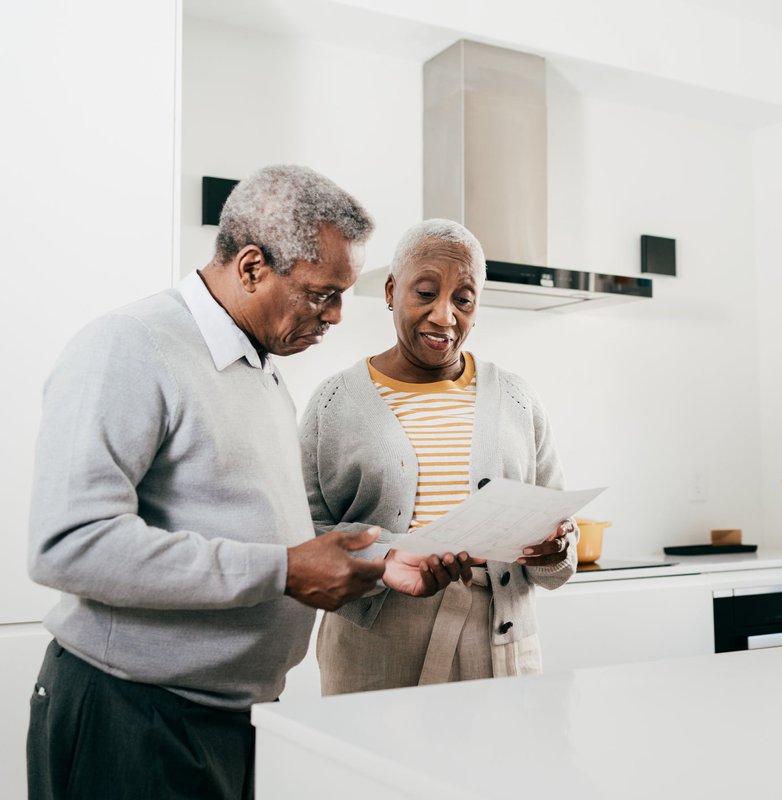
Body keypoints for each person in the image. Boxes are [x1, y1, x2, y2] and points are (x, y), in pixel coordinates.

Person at [26, 165, 471, 800]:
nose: (340, 315)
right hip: (129, 714)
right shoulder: (130, 347)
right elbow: (69, 544)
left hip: (232, 719)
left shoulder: (258, 367)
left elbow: (259, 530)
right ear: (253, 267)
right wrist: (286, 571)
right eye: (323, 293)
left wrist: (379, 558)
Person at [301, 218, 577, 694]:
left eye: (463, 300)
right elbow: (302, 533)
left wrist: (554, 549)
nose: (445, 316)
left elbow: (556, 531)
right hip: (376, 645)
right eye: (425, 293)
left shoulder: (517, 398)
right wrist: (389, 553)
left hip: (501, 638)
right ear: (391, 290)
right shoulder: (335, 402)